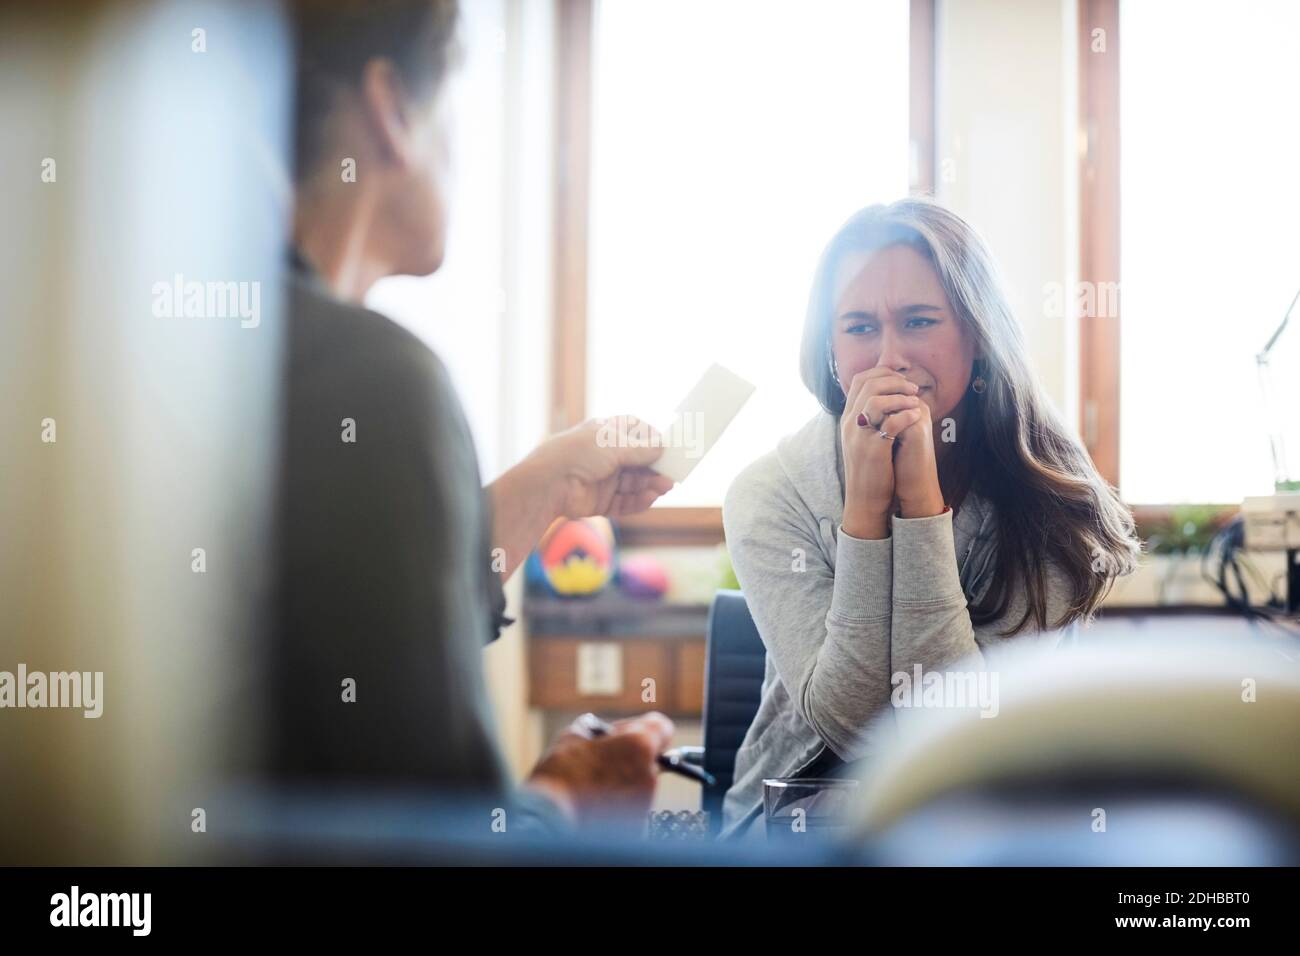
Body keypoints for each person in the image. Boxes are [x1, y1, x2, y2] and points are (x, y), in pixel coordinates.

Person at [271, 0, 676, 834]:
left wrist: (546, 482)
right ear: (392, 112)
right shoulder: (373, 378)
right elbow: (438, 854)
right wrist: (572, 792)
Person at [719, 199, 1140, 837]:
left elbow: (957, 727)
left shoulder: (1052, 495)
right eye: (858, 327)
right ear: (830, 349)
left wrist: (920, 504)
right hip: (796, 823)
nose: (889, 357)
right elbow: (852, 726)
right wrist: (864, 513)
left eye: (918, 321)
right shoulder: (768, 494)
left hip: (981, 810)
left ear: (977, 334)